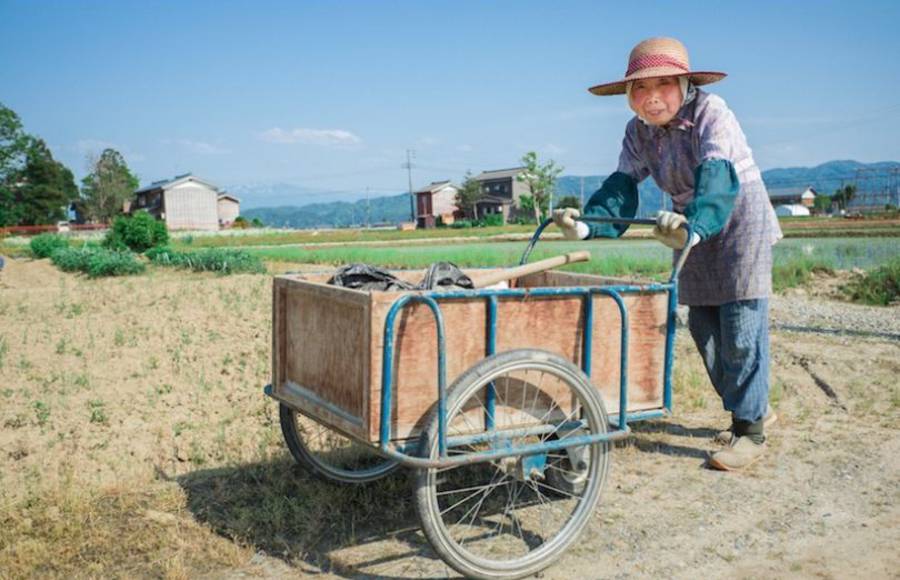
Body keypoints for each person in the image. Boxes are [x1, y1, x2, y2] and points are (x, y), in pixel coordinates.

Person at [553, 37, 781, 471]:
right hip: (684, 223)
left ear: (684, 84)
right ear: (628, 95)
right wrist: (585, 225)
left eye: (663, 84)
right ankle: (754, 406)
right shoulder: (637, 131)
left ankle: (750, 430)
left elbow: (717, 176)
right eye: (640, 88)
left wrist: (694, 228)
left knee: (740, 322)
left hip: (736, 213)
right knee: (703, 324)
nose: (651, 96)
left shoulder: (711, 113)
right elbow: (622, 186)